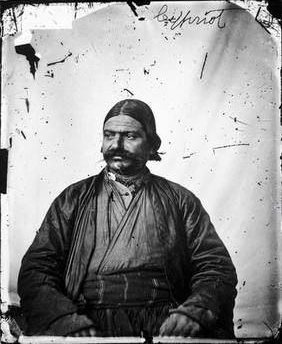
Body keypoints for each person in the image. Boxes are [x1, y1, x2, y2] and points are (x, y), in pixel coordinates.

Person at [18, 99, 237, 338]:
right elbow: (37, 268)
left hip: (165, 325)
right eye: (109, 135)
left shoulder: (179, 199)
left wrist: (194, 312)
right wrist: (62, 319)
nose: (116, 144)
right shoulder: (73, 199)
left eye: (130, 136)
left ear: (151, 146)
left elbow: (215, 266)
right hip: (85, 324)